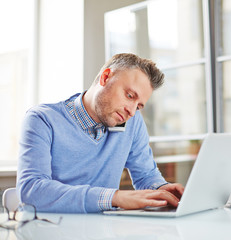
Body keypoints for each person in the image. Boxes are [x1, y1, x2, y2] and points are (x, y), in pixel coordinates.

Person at [16, 53, 184, 213]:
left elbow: (146, 175)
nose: (132, 111)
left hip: (105, 230)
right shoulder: (42, 119)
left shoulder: (132, 121)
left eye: (139, 106)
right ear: (105, 77)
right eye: (130, 95)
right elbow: (32, 190)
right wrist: (113, 198)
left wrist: (161, 190)